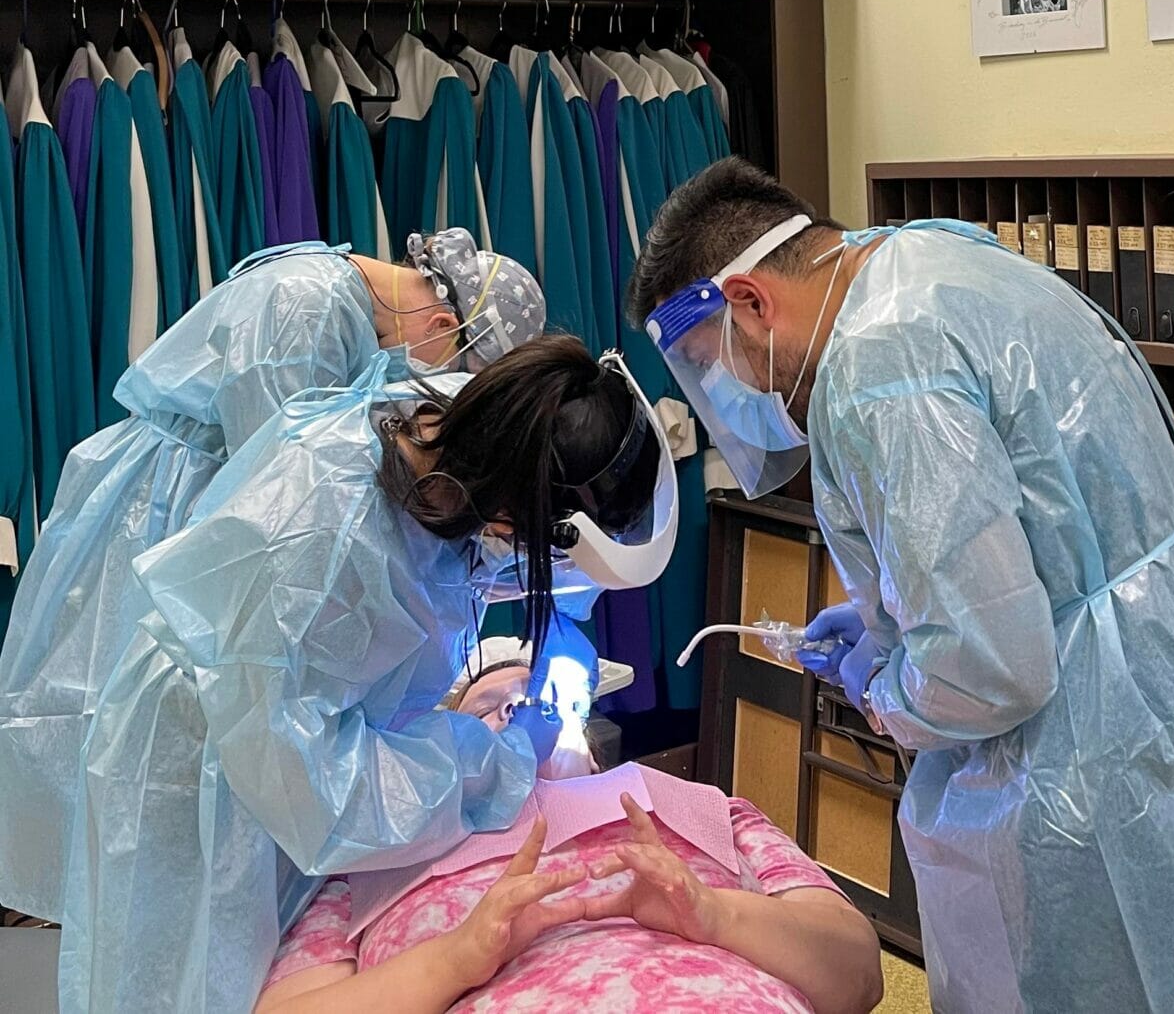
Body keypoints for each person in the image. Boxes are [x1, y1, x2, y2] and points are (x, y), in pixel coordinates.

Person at [626, 156, 1174, 1013]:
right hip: (1159, 656)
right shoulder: (916, 256)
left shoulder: (877, 372)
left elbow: (992, 667)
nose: (736, 387)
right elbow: (1017, 526)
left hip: (1087, 744)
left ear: (750, 299)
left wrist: (886, 688)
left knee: (1107, 973)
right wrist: (891, 615)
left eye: (721, 363)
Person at [55, 334, 667, 1013]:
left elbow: (450, 567)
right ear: (507, 512)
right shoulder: (331, 540)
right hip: (205, 768)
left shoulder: (475, 432)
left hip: (264, 730)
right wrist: (503, 757)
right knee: (189, 988)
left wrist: (559, 632)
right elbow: (318, 790)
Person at [0, 231, 546, 931]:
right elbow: (282, 498)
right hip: (172, 523)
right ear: (444, 325)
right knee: (138, 780)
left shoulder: (347, 304)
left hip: (213, 521)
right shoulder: (304, 311)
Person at [253, 654, 883, 1014]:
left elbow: (858, 974)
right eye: (488, 710)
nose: (525, 715)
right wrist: (455, 959)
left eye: (543, 699)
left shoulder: (703, 808)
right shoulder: (374, 859)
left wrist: (716, 915)